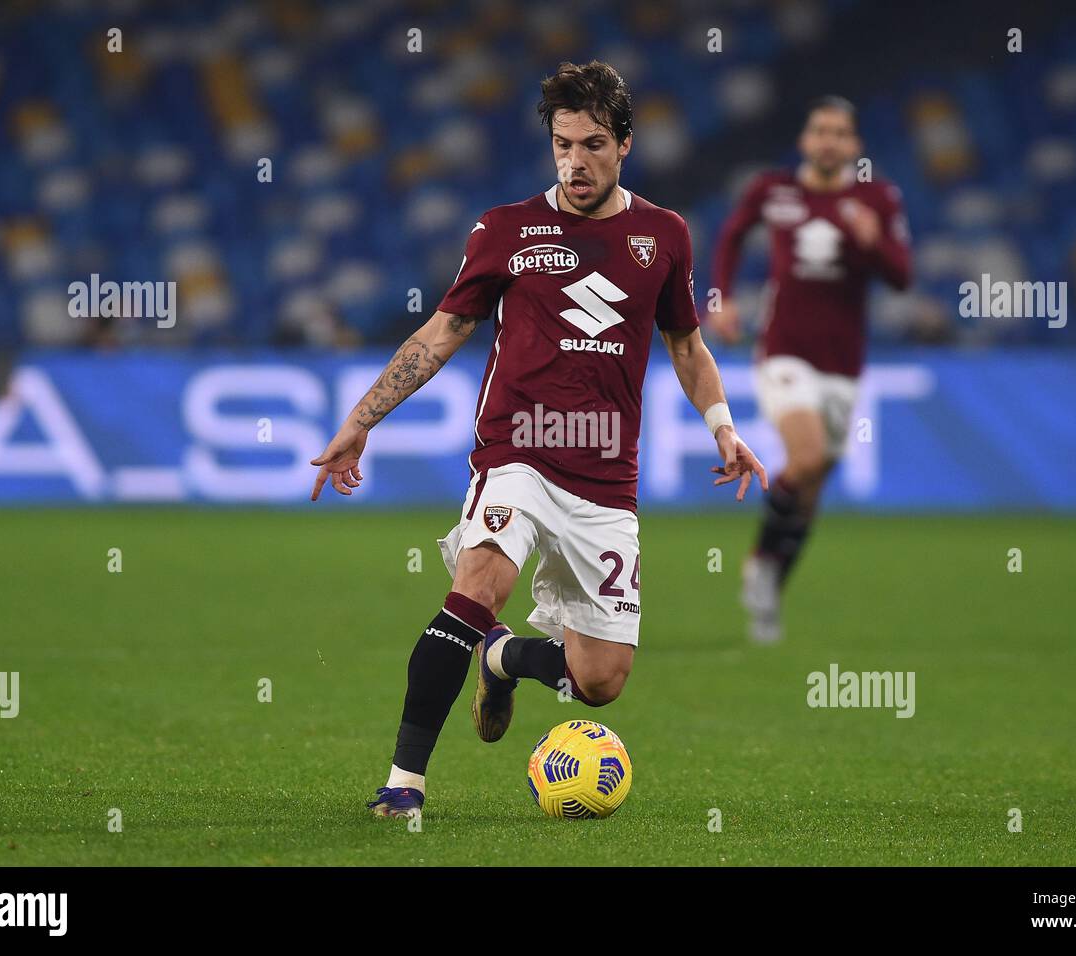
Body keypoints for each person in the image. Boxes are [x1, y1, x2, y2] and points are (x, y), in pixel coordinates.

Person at [310, 61, 768, 819]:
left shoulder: (663, 236)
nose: (574, 161)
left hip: (605, 482)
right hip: (515, 453)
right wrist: (360, 421)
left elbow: (688, 345)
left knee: (602, 681)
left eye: (592, 144)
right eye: (562, 144)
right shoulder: (506, 230)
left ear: (625, 144)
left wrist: (725, 429)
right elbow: (443, 331)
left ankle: (502, 657)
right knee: (478, 585)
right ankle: (404, 785)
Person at [707, 95, 913, 644]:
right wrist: (722, 297)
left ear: (855, 146)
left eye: (840, 133)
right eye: (820, 130)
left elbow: (902, 276)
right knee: (808, 455)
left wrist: (874, 242)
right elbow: (731, 234)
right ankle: (757, 564)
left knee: (813, 488)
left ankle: (771, 586)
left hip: (843, 365)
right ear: (805, 140)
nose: (828, 141)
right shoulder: (775, 191)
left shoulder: (877, 198)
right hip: (783, 351)